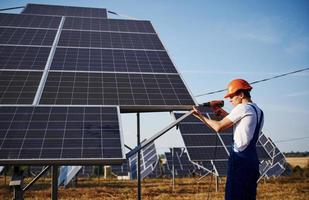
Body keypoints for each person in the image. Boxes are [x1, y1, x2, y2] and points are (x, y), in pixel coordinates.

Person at [192, 79, 264, 200]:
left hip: (239, 160)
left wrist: (200, 116)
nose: (229, 100)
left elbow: (218, 127)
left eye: (232, 96)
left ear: (241, 95)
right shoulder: (258, 111)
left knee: (233, 196)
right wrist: (225, 114)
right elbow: (242, 123)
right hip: (252, 160)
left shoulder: (242, 108)